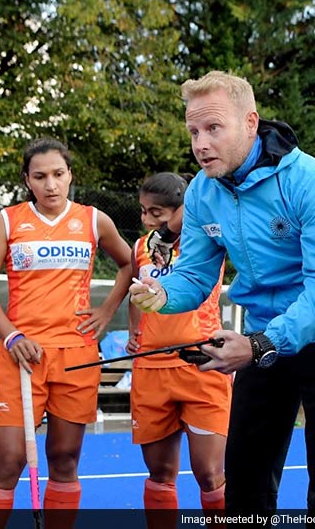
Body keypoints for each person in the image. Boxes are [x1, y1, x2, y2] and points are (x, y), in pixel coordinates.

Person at [130, 71, 315, 514]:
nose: (200, 144)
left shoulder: (313, 182)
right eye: (193, 132)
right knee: (245, 485)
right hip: (261, 336)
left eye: (213, 128)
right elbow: (197, 275)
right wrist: (161, 293)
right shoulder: (203, 191)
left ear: (250, 123)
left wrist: (260, 344)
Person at [0, 137, 132, 525]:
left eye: (58, 174)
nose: (51, 185)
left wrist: (107, 311)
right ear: (27, 180)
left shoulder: (93, 219)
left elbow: (131, 264)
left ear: (70, 175)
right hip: (22, 356)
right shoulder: (9, 220)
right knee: (8, 461)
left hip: (76, 357)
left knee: (64, 459)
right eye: (40, 176)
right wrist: (12, 335)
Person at [126, 171, 230, 518]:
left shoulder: (208, 240)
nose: (147, 219)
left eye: (157, 212)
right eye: (143, 211)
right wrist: (133, 333)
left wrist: (177, 222)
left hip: (201, 365)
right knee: (159, 475)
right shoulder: (142, 246)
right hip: (151, 370)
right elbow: (132, 291)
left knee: (210, 474)